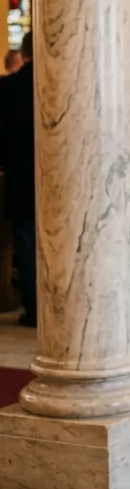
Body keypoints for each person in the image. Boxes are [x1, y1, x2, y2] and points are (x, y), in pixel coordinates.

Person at [0, 32, 36, 325]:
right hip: (62, 182)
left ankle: (34, 309)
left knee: (27, 246)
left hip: (21, 178)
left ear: (23, 55)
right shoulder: (62, 83)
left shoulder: (7, 87)